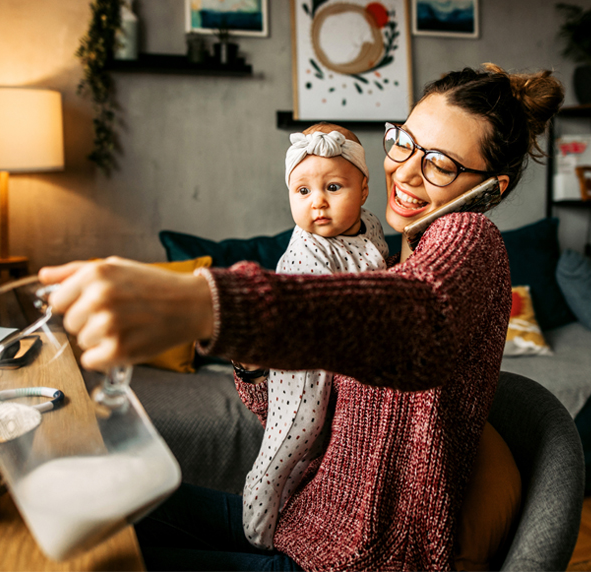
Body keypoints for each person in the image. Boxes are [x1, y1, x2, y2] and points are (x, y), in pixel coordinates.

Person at [39, 63, 564, 571]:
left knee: (97, 563)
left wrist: (207, 304)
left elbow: (418, 322)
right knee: (87, 503)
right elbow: (297, 411)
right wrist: (252, 362)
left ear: (490, 187)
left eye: (440, 164)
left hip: (363, 559)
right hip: (300, 518)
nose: (404, 171)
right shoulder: (379, 253)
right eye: (404, 142)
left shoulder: (471, 243)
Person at [241, 122, 389, 550]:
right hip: (304, 362)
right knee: (295, 432)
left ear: (363, 191)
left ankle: (291, 519)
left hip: (339, 361)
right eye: (302, 191)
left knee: (316, 449)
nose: (317, 203)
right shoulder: (307, 250)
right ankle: (259, 527)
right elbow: (332, 312)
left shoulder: (371, 228)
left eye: (333, 187)